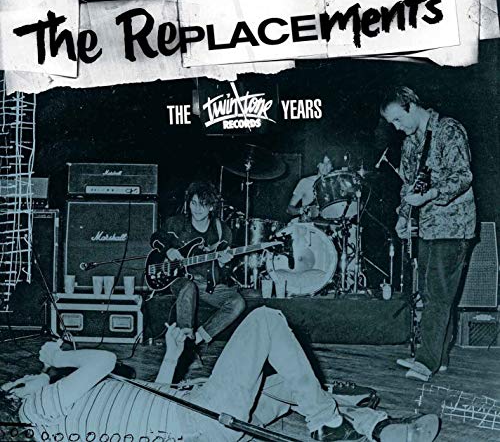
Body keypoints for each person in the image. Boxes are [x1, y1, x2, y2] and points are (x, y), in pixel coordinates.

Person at [1, 307, 440, 442]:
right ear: (15, 392)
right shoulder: (36, 409)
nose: (37, 374)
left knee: (281, 386)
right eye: (27, 376)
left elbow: (153, 398)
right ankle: (328, 420)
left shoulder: (59, 417)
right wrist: (58, 356)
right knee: (265, 321)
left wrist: (173, 354)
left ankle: (380, 430)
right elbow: (103, 362)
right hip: (202, 416)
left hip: (198, 422)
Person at [380, 86, 476, 382]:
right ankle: (440, 357)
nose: (397, 127)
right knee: (431, 292)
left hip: (454, 225)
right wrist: (403, 215)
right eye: (392, 123)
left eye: (398, 119)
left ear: (411, 105)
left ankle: (426, 361)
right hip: (428, 226)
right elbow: (408, 186)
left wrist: (432, 194)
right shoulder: (411, 143)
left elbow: (463, 176)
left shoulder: (449, 130)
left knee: (438, 294)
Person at [150, 181, 245, 347]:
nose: (197, 209)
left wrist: (223, 264)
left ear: (211, 207)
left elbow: (224, 273)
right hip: (177, 279)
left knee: (237, 302)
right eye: (193, 203)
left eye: (203, 204)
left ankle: (197, 339)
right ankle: (183, 339)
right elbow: (155, 238)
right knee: (188, 287)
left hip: (206, 284)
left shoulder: (222, 232)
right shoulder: (176, 224)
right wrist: (168, 250)